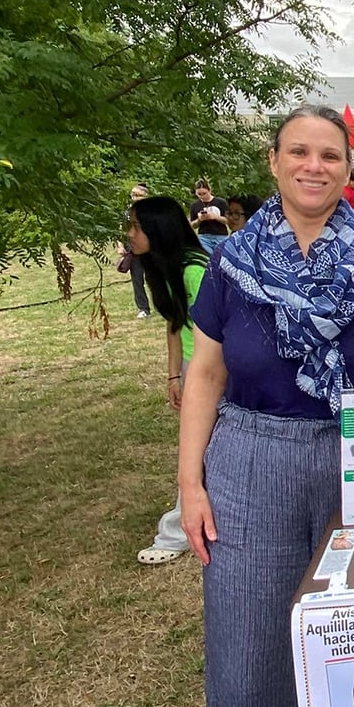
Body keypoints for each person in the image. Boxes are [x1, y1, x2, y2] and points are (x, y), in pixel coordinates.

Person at [177, 104, 354, 707]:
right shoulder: (232, 262)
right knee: (248, 642)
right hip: (250, 460)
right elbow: (205, 375)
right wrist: (190, 484)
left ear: (349, 168)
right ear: (274, 161)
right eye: (299, 152)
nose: (314, 166)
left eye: (330, 155)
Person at [130, 196, 211, 565]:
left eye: (136, 227)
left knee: (195, 453)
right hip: (195, 367)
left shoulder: (194, 271)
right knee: (201, 451)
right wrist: (173, 375)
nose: (130, 235)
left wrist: (196, 378)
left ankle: (176, 533)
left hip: (211, 370)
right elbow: (175, 325)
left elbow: (216, 337)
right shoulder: (162, 268)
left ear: (157, 230)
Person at [122, 183, 153, 319]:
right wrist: (120, 246)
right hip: (134, 249)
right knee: (137, 279)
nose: (135, 198)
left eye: (138, 195)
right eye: (133, 195)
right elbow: (122, 229)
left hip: (151, 248)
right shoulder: (127, 212)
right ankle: (143, 308)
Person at [189, 180, 230, 255]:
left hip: (221, 236)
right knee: (207, 258)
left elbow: (228, 220)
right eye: (199, 194)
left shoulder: (221, 202)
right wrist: (199, 220)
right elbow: (192, 225)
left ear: (209, 191)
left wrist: (216, 217)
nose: (202, 196)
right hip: (204, 237)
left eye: (204, 193)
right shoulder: (194, 205)